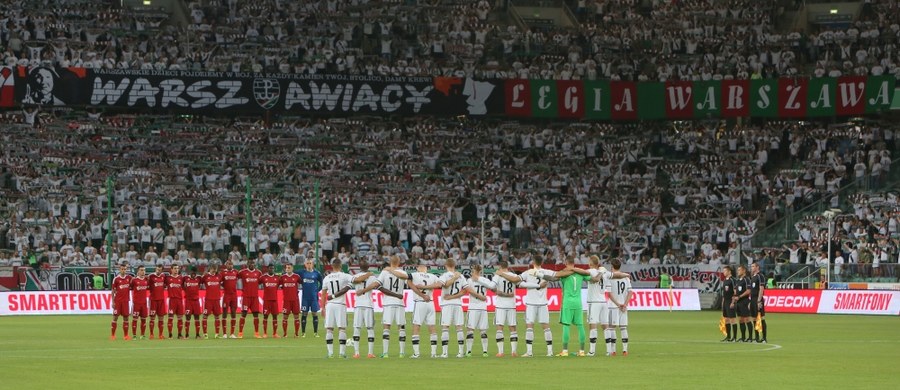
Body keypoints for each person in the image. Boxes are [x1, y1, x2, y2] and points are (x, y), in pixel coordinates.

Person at [495, 254, 554, 357]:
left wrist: (501, 274)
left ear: (533, 262)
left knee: (529, 327)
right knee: (546, 327)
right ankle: (550, 351)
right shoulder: (547, 272)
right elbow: (557, 276)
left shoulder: (528, 273)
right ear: (542, 262)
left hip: (531, 303)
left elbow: (515, 280)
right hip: (543, 303)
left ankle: (529, 352)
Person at [542, 256, 591, 357]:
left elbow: (553, 278)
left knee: (566, 326)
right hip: (578, 303)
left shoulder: (564, 273)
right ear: (573, 262)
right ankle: (582, 351)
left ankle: (565, 351)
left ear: (565, 262)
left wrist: (540, 275)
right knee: (580, 326)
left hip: (567, 303)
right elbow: (592, 278)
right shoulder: (580, 273)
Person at [586, 255, 630, 356]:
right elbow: (617, 275)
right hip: (604, 302)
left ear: (591, 263)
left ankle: (592, 351)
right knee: (606, 327)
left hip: (595, 302)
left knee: (593, 325)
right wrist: (626, 275)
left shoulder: (591, 271)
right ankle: (609, 350)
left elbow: (584, 274)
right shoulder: (605, 272)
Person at [378, 255, 412, 357]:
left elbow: (378, 284)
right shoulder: (402, 272)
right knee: (401, 327)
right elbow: (409, 283)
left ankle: (385, 353)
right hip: (400, 303)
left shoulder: (384, 272)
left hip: (388, 303)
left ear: (389, 262)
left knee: (386, 327)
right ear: (399, 262)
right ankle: (402, 353)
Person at [321, 259, 354, 358]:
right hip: (340, 304)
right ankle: (342, 353)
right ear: (340, 266)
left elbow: (323, 294)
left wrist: (322, 308)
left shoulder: (327, 277)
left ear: (332, 266)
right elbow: (354, 280)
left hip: (330, 305)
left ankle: (330, 353)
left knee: (329, 329)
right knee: (342, 329)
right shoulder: (344, 275)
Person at [408, 263, 441, 358]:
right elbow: (439, 285)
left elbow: (409, 283)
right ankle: (433, 353)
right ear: (426, 269)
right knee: (432, 327)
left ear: (418, 268)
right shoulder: (433, 276)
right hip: (430, 303)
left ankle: (416, 353)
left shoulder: (414, 274)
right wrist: (427, 288)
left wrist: (422, 294)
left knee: (416, 326)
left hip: (420, 302)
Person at [439, 258, 469, 358]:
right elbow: (465, 291)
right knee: (459, 327)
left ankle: (444, 353)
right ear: (455, 265)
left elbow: (445, 285)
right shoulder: (461, 276)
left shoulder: (444, 275)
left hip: (447, 304)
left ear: (446, 265)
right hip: (458, 304)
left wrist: (450, 297)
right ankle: (460, 352)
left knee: (445, 327)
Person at [350, 260, 380, 358]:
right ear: (368, 267)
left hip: (358, 305)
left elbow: (356, 281)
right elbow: (375, 285)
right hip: (368, 305)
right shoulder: (371, 276)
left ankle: (357, 353)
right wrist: (369, 274)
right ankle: (370, 353)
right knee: (370, 328)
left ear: (359, 267)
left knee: (357, 328)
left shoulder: (355, 276)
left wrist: (362, 290)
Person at [490, 259, 519, 357]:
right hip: (511, 305)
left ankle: (500, 352)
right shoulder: (514, 276)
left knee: (499, 327)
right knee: (512, 328)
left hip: (500, 305)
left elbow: (492, 287)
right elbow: (519, 283)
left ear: (500, 267)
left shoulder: (497, 276)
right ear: (507, 266)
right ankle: (514, 351)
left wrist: (498, 292)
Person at [607, 259, 633, 356]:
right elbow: (630, 292)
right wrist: (625, 304)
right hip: (623, 306)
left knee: (612, 328)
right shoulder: (626, 278)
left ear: (612, 267)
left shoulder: (610, 278)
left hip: (613, 306)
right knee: (623, 328)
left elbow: (609, 294)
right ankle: (625, 350)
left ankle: (613, 351)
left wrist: (618, 304)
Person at [464, 264, 490, 357]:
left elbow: (469, 291)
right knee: (483, 331)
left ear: (474, 271)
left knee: (470, 330)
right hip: (483, 308)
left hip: (473, 307)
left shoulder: (470, 280)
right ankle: (485, 351)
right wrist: (482, 297)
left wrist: (479, 296)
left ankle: (469, 351)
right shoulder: (485, 280)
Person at [238, 259, 263, 338]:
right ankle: (240, 333)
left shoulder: (259, 273)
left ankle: (256, 333)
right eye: (250, 263)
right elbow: (235, 277)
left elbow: (259, 282)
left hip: (255, 297)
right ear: (247, 264)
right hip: (246, 297)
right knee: (243, 314)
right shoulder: (242, 272)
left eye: (253, 263)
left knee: (256, 315)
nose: (252, 264)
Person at [298, 259, 324, 337]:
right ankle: (303, 333)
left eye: (310, 263)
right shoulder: (302, 273)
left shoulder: (317, 273)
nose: (309, 264)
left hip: (314, 298)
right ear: (305, 264)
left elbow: (322, 283)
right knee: (304, 313)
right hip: (305, 298)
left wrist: (317, 290)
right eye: (307, 263)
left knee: (314, 313)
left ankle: (315, 333)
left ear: (313, 264)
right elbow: (294, 275)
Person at [201, 264, 224, 338]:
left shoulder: (219, 276)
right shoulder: (206, 276)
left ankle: (217, 334)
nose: (214, 270)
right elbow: (200, 281)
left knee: (217, 316)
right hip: (208, 300)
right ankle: (205, 334)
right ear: (209, 269)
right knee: (205, 316)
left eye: (215, 269)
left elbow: (223, 283)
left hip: (217, 299)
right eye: (212, 268)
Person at [111, 263, 132, 340]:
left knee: (126, 318)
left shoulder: (129, 278)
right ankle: (113, 335)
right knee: (115, 317)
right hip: (118, 301)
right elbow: (113, 291)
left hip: (126, 301)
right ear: (119, 270)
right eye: (122, 269)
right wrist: (113, 302)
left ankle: (126, 335)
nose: (123, 270)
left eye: (125, 269)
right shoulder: (116, 279)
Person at [280, 263, 302, 338]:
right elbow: (280, 286)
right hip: (286, 300)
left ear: (292, 268)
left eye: (289, 267)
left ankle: (296, 334)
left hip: (295, 300)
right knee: (285, 317)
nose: (288, 269)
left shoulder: (296, 276)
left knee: (296, 316)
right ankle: (285, 334)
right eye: (287, 268)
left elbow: (301, 282)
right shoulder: (282, 277)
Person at [165, 264, 186, 339]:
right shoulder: (167, 278)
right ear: (171, 269)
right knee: (170, 318)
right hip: (172, 300)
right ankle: (170, 334)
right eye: (175, 268)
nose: (176, 270)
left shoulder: (181, 278)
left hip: (180, 300)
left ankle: (179, 334)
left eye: (177, 268)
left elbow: (185, 286)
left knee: (180, 318)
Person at [260, 264, 281, 338]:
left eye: (272, 268)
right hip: (266, 300)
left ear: (274, 269)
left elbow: (282, 285)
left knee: (275, 317)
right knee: (265, 316)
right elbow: (257, 282)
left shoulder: (277, 278)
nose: (271, 269)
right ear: (267, 269)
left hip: (274, 300)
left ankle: (275, 333)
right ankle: (265, 333)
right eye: (270, 268)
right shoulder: (263, 277)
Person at [130, 265, 150, 340]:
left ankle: (142, 335)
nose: (143, 272)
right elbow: (130, 287)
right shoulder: (134, 280)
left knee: (143, 319)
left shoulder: (146, 280)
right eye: (141, 270)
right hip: (136, 303)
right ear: (138, 271)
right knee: (135, 319)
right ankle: (134, 335)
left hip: (144, 303)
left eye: (144, 270)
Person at [220, 260, 239, 338]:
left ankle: (232, 333)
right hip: (226, 295)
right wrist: (224, 286)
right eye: (228, 264)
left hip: (234, 295)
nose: (230, 265)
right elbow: (219, 281)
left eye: (231, 264)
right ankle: (224, 333)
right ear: (226, 265)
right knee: (224, 313)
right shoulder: (223, 273)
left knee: (233, 313)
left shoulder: (236, 272)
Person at [148, 266, 168, 339]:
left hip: (161, 300)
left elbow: (165, 284)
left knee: (161, 318)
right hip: (153, 300)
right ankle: (151, 334)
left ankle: (160, 334)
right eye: (157, 269)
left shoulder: (163, 276)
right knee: (152, 318)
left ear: (162, 271)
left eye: (159, 270)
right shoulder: (151, 276)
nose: (158, 271)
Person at [749, 263, 767, 343]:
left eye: (753, 266)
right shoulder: (753, 277)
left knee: (761, 318)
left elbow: (761, 288)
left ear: (757, 267)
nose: (751, 268)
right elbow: (751, 291)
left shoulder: (760, 276)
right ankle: (756, 338)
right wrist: (750, 301)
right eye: (751, 266)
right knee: (754, 319)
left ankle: (764, 338)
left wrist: (759, 300)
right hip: (752, 299)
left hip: (758, 299)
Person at [734, 265, 752, 342]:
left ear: (744, 271)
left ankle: (750, 337)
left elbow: (748, 291)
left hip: (744, 301)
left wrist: (740, 296)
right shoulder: (738, 280)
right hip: (738, 302)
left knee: (747, 319)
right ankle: (743, 337)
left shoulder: (746, 279)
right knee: (740, 320)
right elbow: (736, 290)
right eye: (737, 270)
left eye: (739, 270)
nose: (738, 271)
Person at [183, 266, 203, 339]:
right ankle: (187, 335)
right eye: (192, 273)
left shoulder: (199, 278)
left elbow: (203, 280)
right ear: (190, 272)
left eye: (195, 273)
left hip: (196, 301)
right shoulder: (185, 278)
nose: (193, 274)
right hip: (188, 301)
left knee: (197, 317)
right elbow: (182, 285)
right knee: (188, 318)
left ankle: (197, 334)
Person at [721, 266, 737, 342]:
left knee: (732, 319)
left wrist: (733, 302)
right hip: (725, 302)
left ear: (729, 271)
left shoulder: (733, 280)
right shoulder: (724, 280)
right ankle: (728, 337)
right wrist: (723, 303)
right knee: (726, 320)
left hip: (731, 301)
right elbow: (724, 293)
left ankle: (734, 337)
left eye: (725, 271)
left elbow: (735, 292)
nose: (723, 272)